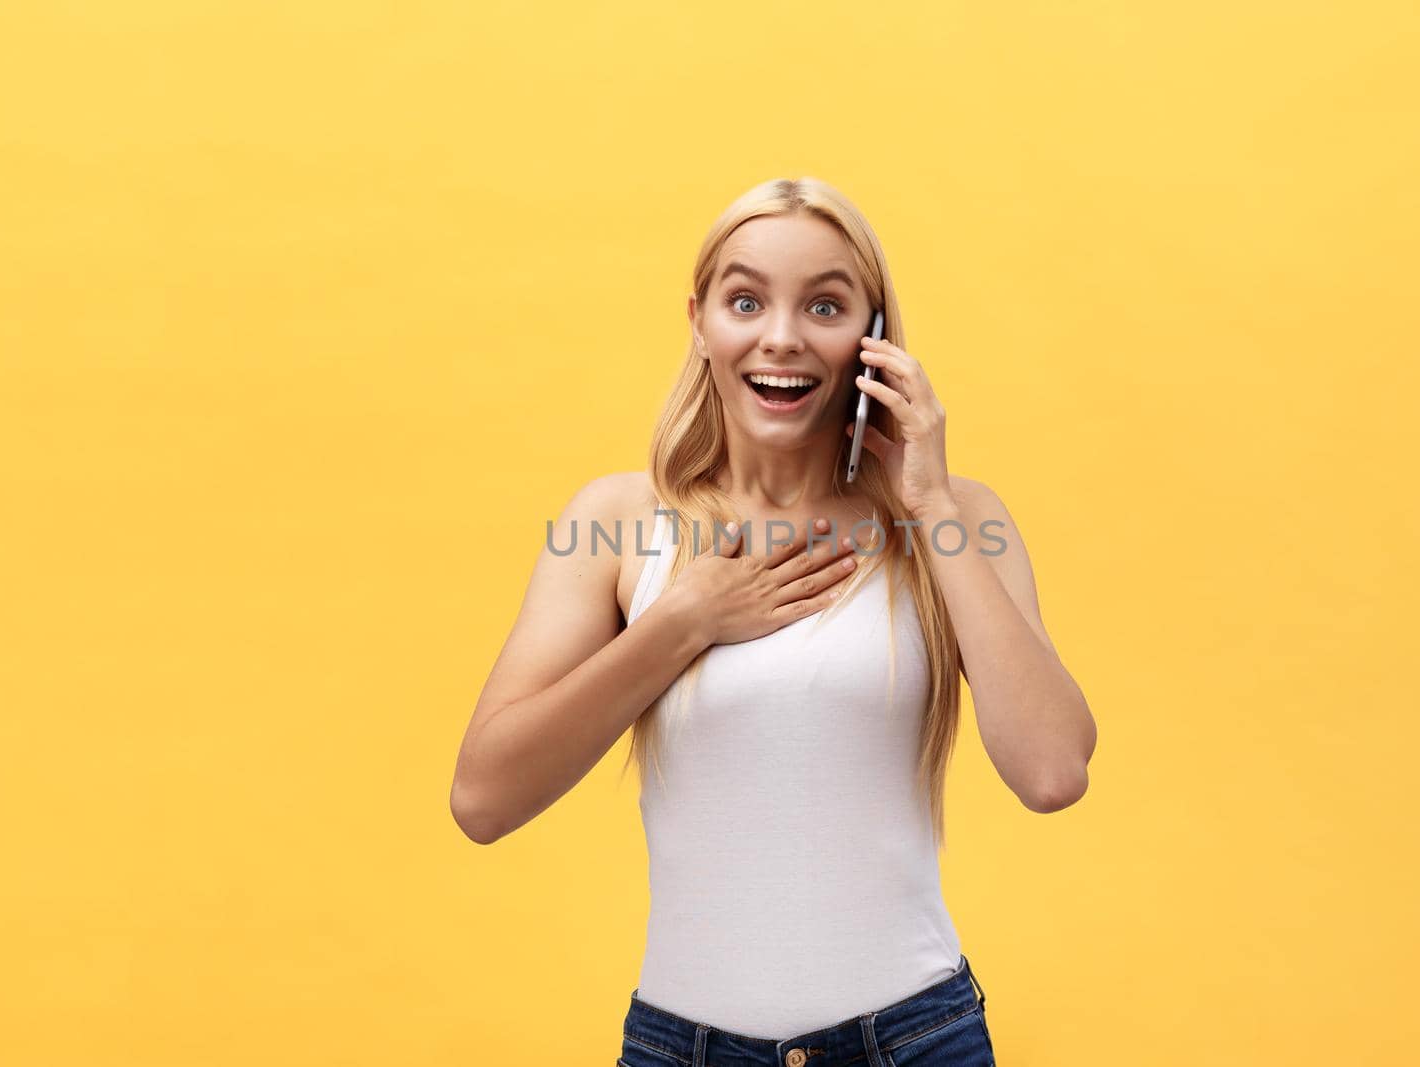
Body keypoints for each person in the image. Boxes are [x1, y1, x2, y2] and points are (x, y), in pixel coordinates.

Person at [450, 177, 1096, 1066]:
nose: (782, 336)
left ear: (872, 335)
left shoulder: (957, 517)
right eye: (745, 299)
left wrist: (931, 501)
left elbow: (1053, 769)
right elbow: (483, 799)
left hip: (914, 1042)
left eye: (825, 304)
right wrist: (681, 620)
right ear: (701, 322)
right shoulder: (619, 524)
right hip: (683, 1048)